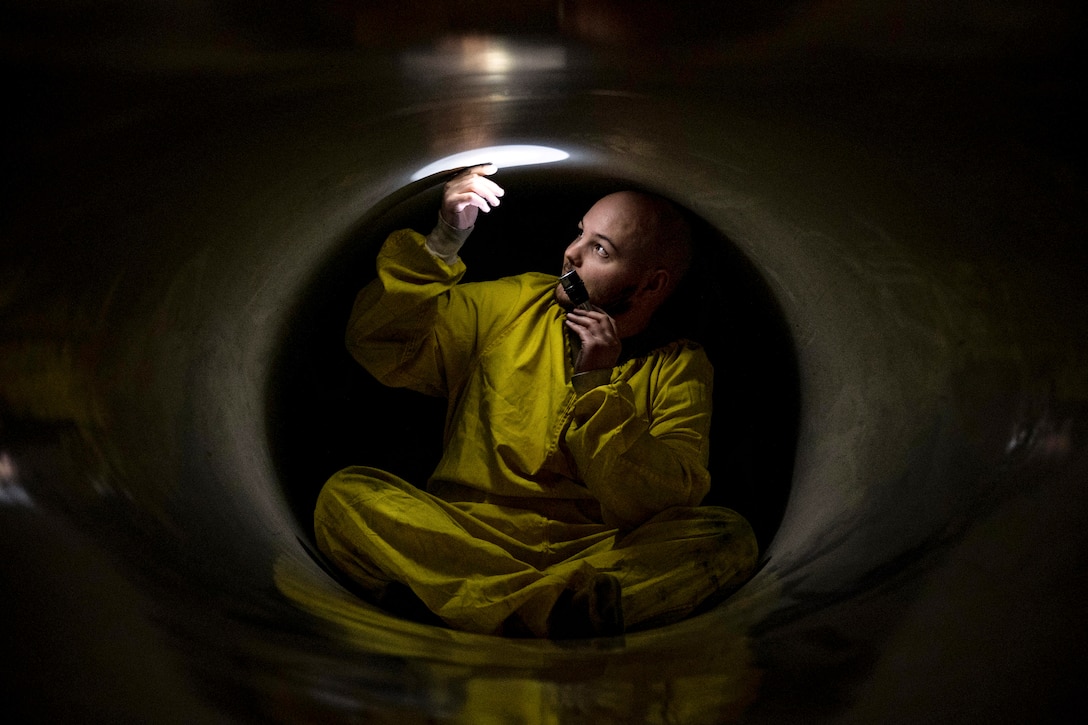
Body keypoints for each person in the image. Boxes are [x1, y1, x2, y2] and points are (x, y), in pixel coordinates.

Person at [314, 165, 757, 638]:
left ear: (651, 285)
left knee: (727, 538)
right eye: (580, 234)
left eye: (600, 250)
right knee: (346, 497)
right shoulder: (518, 302)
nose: (571, 254)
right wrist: (444, 239)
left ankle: (473, 604)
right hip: (464, 536)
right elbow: (379, 342)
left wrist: (596, 383)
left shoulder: (678, 365)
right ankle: (547, 611)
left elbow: (665, 500)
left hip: (590, 559)